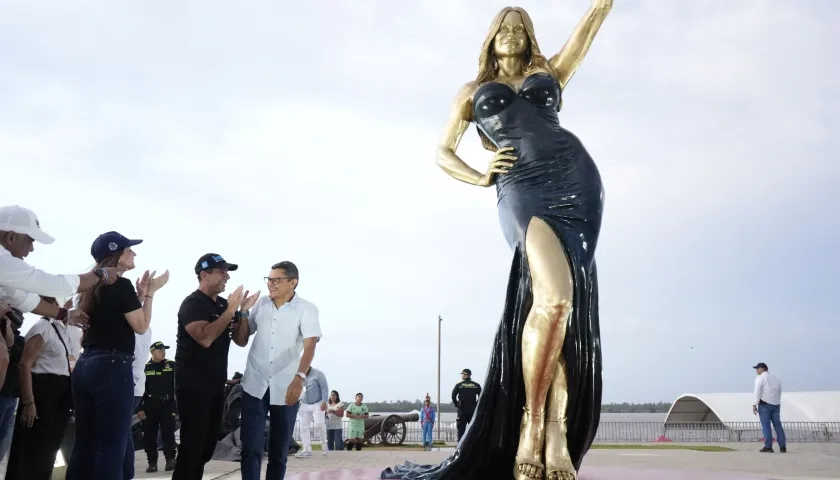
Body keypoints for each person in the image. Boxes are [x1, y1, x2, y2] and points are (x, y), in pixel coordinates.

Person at [382, 3, 612, 480]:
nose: (510, 33)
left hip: (575, 180)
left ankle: (556, 433)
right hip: (520, 187)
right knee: (554, 299)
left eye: (519, 28)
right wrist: (480, 175)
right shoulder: (471, 91)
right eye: (502, 28)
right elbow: (442, 151)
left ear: (529, 37)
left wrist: (600, 5)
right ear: (490, 39)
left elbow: (588, 28)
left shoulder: (549, 73)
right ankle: (532, 422)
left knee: (562, 312)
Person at [66, 232, 169, 480]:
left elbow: (114, 317)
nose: (134, 253)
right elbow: (141, 325)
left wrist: (139, 296)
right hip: (112, 367)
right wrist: (150, 293)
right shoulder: (121, 285)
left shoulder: (90, 288)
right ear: (116, 254)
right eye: (129, 250)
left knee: (85, 442)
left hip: (86, 365)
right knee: (112, 444)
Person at [172, 253, 256, 480]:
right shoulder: (193, 303)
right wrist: (229, 311)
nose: (227, 277)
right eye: (221, 272)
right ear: (204, 275)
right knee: (192, 445)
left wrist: (242, 312)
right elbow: (205, 338)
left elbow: (241, 340)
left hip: (216, 384)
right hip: (192, 385)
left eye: (227, 272)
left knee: (208, 446)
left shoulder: (222, 304)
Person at [236, 261, 321, 480]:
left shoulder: (307, 309)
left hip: (287, 388)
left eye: (277, 280)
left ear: (293, 282)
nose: (271, 284)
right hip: (254, 385)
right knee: (250, 448)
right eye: (269, 279)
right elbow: (241, 340)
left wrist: (299, 378)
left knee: (279, 451)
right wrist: (243, 312)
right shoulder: (261, 304)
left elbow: (310, 347)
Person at [0, 205, 122, 327]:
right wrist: (100, 274)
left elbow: (22, 298)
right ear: (11, 238)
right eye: (31, 241)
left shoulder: (7, 275)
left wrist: (65, 314)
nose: (31, 249)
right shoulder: (3, 261)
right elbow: (53, 284)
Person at [5, 296, 74, 480]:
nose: (70, 304)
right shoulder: (43, 327)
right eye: (66, 300)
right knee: (33, 450)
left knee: (49, 449)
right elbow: (25, 364)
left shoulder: (63, 329)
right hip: (42, 393)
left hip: (60, 395)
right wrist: (29, 402)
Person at [138, 341, 177, 472]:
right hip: (150, 405)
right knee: (149, 435)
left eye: (164, 350)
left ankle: (170, 460)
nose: (163, 353)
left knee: (168, 433)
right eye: (160, 350)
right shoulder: (146, 368)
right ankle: (152, 463)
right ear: (152, 352)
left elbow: (180, 382)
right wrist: (140, 408)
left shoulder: (171, 365)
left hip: (167, 404)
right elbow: (141, 389)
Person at [124, 322, 152, 480]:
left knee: (122, 431)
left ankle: (126, 473)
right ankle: (126, 473)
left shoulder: (132, 325)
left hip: (128, 382)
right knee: (124, 429)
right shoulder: (145, 326)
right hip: (136, 383)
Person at [0, 304, 24, 463]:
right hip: (3, 393)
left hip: (12, 394)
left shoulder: (20, 339)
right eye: (18, 314)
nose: (21, 318)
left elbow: (14, 350)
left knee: (3, 435)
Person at [295, 365, 330, 458]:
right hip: (304, 404)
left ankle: (324, 446)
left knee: (319, 424)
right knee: (304, 427)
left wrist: (324, 401)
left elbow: (324, 388)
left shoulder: (318, 374)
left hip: (318, 403)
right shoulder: (298, 375)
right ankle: (306, 450)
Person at [752, 362, 786, 453]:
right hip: (776, 404)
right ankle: (782, 446)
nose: (756, 371)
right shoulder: (776, 378)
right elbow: (779, 390)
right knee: (778, 425)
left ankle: (768, 446)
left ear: (762, 369)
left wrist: (754, 404)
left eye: (757, 369)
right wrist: (777, 402)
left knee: (766, 426)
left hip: (764, 404)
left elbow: (757, 391)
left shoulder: (760, 378)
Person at [451, 369, 481, 441]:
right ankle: (473, 444)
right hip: (473, 410)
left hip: (462, 410)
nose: (462, 376)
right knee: (473, 429)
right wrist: (476, 404)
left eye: (463, 374)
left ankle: (460, 444)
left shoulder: (459, 385)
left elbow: (453, 395)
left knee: (461, 430)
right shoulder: (476, 385)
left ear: (466, 375)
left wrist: (456, 404)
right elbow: (482, 396)